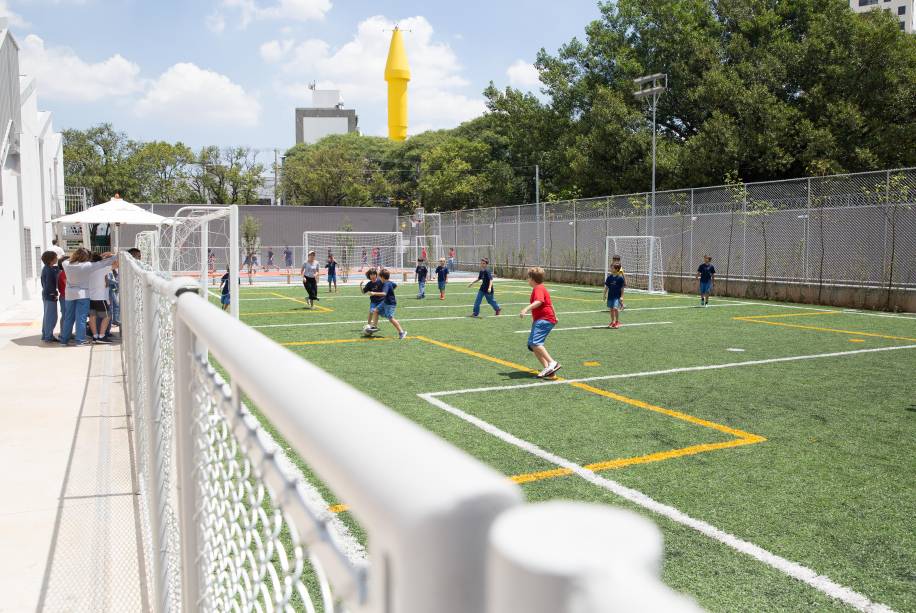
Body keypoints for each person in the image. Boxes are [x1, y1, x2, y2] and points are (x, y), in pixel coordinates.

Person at [60, 248, 115, 346]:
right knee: (81, 318)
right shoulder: (88, 265)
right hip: (83, 294)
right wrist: (109, 255)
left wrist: (74, 257)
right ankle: (80, 340)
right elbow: (107, 262)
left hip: (69, 294)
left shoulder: (66, 264)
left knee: (68, 318)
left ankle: (64, 340)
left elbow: (65, 260)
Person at [519, 267, 560, 378]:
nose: (527, 279)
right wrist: (555, 316)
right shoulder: (541, 288)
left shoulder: (538, 288)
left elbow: (539, 301)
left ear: (532, 279)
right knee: (532, 344)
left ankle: (552, 363)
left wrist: (526, 309)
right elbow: (550, 304)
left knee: (535, 343)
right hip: (544, 319)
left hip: (544, 319)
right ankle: (549, 371)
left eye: (528, 277)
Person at [368, 268, 407, 339]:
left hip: (390, 304)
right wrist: (391, 290)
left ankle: (402, 332)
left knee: (390, 318)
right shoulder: (389, 282)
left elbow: (384, 293)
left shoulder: (386, 284)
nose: (379, 278)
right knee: (375, 310)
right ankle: (374, 326)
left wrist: (374, 293)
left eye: (380, 277)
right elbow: (395, 285)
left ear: (382, 277)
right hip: (385, 302)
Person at [88, 252, 113, 344]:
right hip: (100, 297)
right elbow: (116, 264)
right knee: (107, 316)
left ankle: (95, 336)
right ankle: (101, 336)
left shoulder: (88, 269)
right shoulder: (102, 269)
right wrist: (110, 256)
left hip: (90, 297)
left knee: (92, 316)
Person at [40, 251, 60, 343]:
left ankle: (46, 335)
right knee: (51, 317)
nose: (57, 258)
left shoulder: (47, 268)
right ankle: (48, 336)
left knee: (47, 316)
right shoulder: (49, 270)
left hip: (46, 294)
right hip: (50, 295)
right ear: (51, 260)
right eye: (56, 257)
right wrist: (53, 294)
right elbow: (48, 284)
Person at [361, 268, 384, 334]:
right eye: (371, 274)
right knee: (371, 311)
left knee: (376, 312)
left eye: (374, 274)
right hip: (373, 302)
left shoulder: (380, 281)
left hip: (381, 301)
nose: (373, 276)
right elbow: (363, 292)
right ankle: (368, 326)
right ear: (369, 276)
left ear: (376, 275)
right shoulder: (369, 284)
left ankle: (373, 326)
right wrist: (360, 286)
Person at [604, 262, 626, 329]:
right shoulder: (609, 277)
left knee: (615, 308)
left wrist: (622, 297)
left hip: (617, 297)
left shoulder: (620, 278)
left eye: (612, 267)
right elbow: (607, 287)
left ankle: (617, 322)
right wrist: (604, 294)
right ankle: (612, 322)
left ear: (616, 269)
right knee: (611, 309)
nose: (611, 268)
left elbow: (622, 288)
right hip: (610, 296)